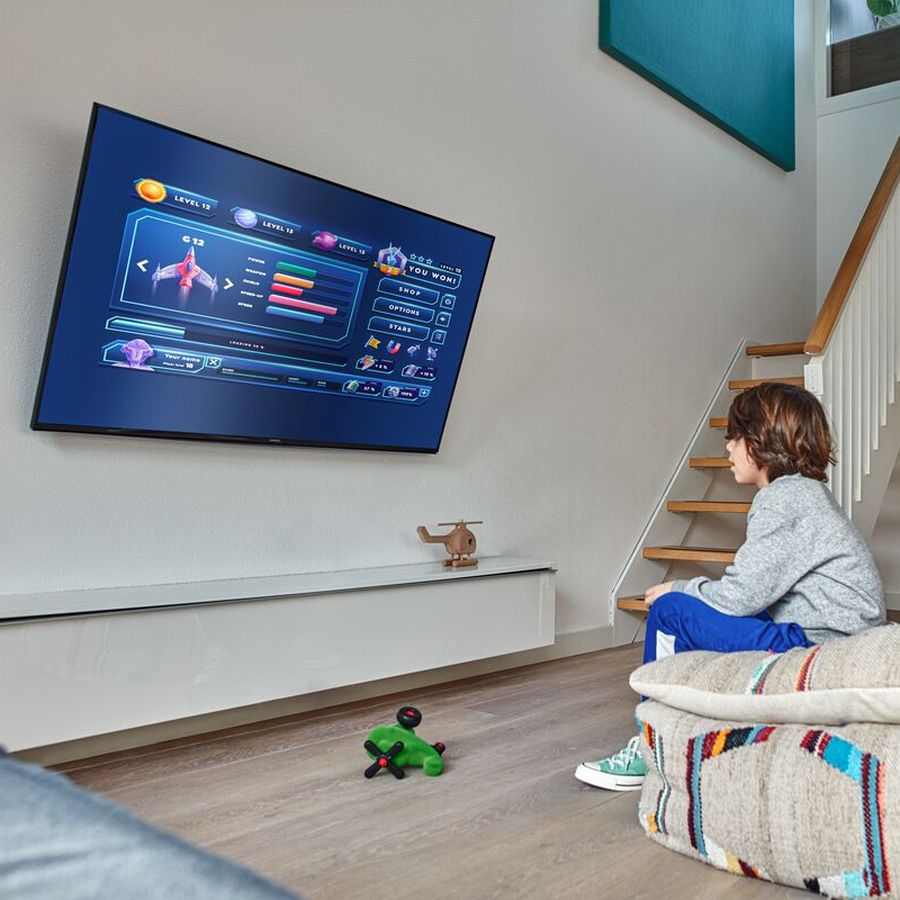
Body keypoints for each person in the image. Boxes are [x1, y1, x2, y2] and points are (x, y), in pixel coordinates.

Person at [575, 383, 886, 791]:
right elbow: (753, 593)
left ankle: (652, 745)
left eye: (735, 437)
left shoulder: (784, 499)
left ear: (762, 443)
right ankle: (698, 721)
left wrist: (678, 590)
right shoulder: (806, 495)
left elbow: (738, 597)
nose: (727, 448)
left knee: (671, 613)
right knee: (719, 611)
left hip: (819, 645)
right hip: (833, 637)